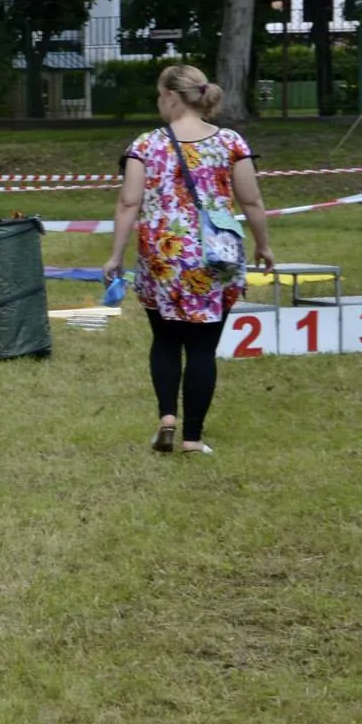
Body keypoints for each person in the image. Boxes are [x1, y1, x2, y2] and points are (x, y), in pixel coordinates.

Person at [102, 65, 276, 455]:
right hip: (217, 256)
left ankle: (166, 417)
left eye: (158, 95)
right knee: (202, 348)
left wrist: (116, 255)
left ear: (171, 96)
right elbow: (251, 200)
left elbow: (129, 202)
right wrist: (263, 245)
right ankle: (193, 438)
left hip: (163, 254)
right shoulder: (231, 141)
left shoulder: (146, 144)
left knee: (164, 340)